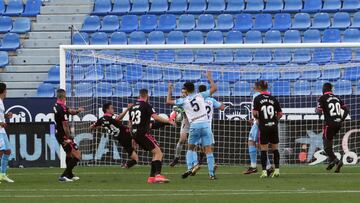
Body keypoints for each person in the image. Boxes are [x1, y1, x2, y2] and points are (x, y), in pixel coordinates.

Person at [167, 71, 218, 180]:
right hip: (205, 124)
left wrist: (170, 89)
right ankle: (211, 175)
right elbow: (214, 88)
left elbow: (168, 101)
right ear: (194, 88)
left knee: (190, 148)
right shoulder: (200, 95)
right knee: (208, 149)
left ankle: (190, 167)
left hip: (194, 125)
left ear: (185, 90)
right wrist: (209, 78)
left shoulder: (183, 100)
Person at [129, 89, 176, 184]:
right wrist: (168, 121)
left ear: (139, 95)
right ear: (147, 95)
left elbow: (130, 124)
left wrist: (132, 138)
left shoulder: (132, 107)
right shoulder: (146, 105)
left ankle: (151, 178)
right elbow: (155, 117)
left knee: (155, 153)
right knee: (159, 153)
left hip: (135, 133)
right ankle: (158, 175)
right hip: (143, 133)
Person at [90, 103, 139, 169]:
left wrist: (103, 125)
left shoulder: (101, 119)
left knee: (136, 157)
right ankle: (125, 166)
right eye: (112, 108)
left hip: (122, 139)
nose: (113, 109)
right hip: (126, 137)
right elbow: (118, 118)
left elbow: (91, 127)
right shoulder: (111, 117)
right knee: (136, 158)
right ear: (107, 110)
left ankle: (126, 166)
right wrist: (127, 109)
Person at [315, 83, 349, 173]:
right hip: (338, 124)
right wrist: (341, 119)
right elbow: (346, 110)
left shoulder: (322, 98)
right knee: (328, 141)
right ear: (331, 89)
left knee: (326, 147)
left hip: (329, 124)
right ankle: (331, 162)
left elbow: (319, 112)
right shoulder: (337, 98)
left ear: (324, 88)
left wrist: (317, 111)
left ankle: (337, 161)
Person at [252, 81, 283, 178]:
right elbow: (280, 114)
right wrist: (275, 120)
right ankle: (277, 170)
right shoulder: (273, 98)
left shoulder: (257, 98)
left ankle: (264, 171)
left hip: (263, 127)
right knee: (275, 149)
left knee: (263, 150)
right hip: (273, 126)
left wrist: (258, 118)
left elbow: (254, 113)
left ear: (259, 88)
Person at [53, 89, 84, 182]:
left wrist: (77, 111)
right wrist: (69, 137)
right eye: (65, 96)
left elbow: (70, 111)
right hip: (64, 135)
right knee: (78, 154)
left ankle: (69, 175)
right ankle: (63, 175)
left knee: (69, 154)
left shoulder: (58, 106)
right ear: (63, 97)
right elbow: (65, 125)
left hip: (59, 134)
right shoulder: (61, 109)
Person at [243, 83, 272, 175]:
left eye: (254, 86)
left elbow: (257, 110)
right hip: (268, 121)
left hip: (260, 122)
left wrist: (257, 119)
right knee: (260, 145)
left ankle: (254, 166)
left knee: (252, 141)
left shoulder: (256, 95)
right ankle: (268, 167)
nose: (253, 87)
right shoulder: (269, 94)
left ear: (258, 87)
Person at [198, 84, 225, 166]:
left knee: (196, 145)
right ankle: (210, 161)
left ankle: (199, 160)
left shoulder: (196, 99)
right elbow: (222, 108)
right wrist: (221, 103)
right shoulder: (211, 100)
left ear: (199, 91)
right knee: (210, 145)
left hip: (197, 125)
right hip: (207, 126)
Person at [169, 88, 190, 167]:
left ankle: (195, 160)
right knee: (182, 140)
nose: (183, 94)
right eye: (182, 92)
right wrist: (172, 119)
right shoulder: (180, 101)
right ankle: (176, 158)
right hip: (185, 122)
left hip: (194, 122)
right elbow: (174, 111)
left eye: (185, 92)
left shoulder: (191, 100)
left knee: (192, 143)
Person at [0, 83, 14, 183]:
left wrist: (6, 116)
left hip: (2, 130)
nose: (6, 92)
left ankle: (2, 174)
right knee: (0, 152)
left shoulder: (1, 101)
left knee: (8, 151)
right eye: (6, 90)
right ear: (3, 91)